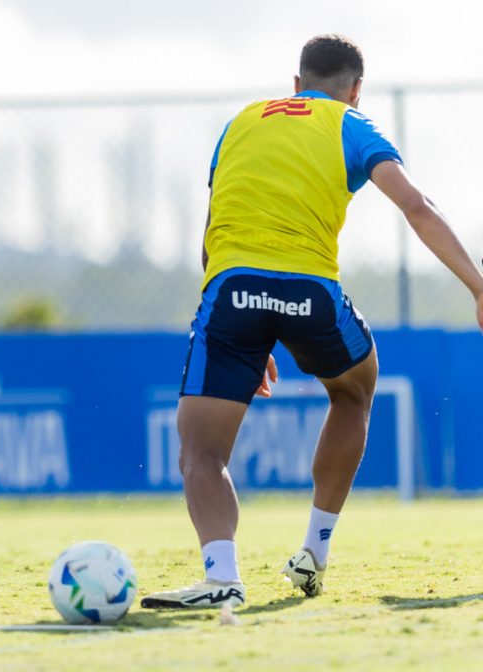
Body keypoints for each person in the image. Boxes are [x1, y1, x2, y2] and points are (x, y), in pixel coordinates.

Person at [140, 34, 483, 609]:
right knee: (355, 392)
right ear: (356, 92)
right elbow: (417, 208)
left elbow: (211, 238)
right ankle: (314, 552)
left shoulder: (240, 124)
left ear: (295, 84)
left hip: (230, 292)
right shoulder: (352, 125)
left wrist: (249, 340)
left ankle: (221, 575)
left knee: (201, 452)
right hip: (310, 292)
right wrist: (476, 285)